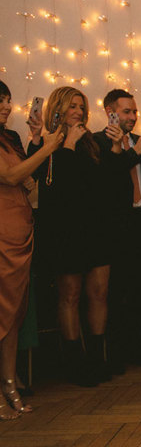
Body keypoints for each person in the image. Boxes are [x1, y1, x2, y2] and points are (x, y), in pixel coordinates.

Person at [29, 87, 118, 386]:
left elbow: (104, 181)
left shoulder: (91, 141)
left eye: (82, 106)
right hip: (65, 230)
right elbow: (52, 187)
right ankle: (74, 362)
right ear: (58, 109)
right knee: (70, 295)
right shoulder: (46, 143)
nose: (79, 112)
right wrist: (66, 144)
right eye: (72, 106)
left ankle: (96, 357)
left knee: (99, 293)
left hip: (96, 227)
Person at [0, 81, 63, 418]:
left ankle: (9, 381)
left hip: (19, 232)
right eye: (1, 100)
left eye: (8, 100)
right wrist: (48, 148)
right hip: (0, 236)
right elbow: (9, 177)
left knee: (14, 315)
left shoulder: (9, 138)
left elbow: (26, 179)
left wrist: (36, 142)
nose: (7, 106)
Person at [93, 89, 141, 371]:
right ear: (110, 112)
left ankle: (139, 348)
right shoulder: (97, 141)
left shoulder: (140, 142)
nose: (133, 117)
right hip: (116, 226)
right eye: (127, 112)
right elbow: (108, 181)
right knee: (117, 291)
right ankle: (115, 353)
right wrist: (136, 153)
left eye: (135, 111)